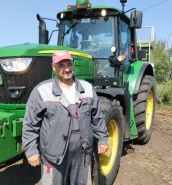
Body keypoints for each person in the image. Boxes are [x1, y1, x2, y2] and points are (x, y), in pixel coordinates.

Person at [22, 50, 109, 185]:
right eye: (61, 65)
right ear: (54, 67)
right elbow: (30, 124)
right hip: (54, 154)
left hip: (83, 152)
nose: (66, 69)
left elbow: (97, 117)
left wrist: (103, 138)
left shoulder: (87, 88)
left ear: (73, 65)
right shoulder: (42, 91)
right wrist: (31, 150)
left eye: (69, 64)